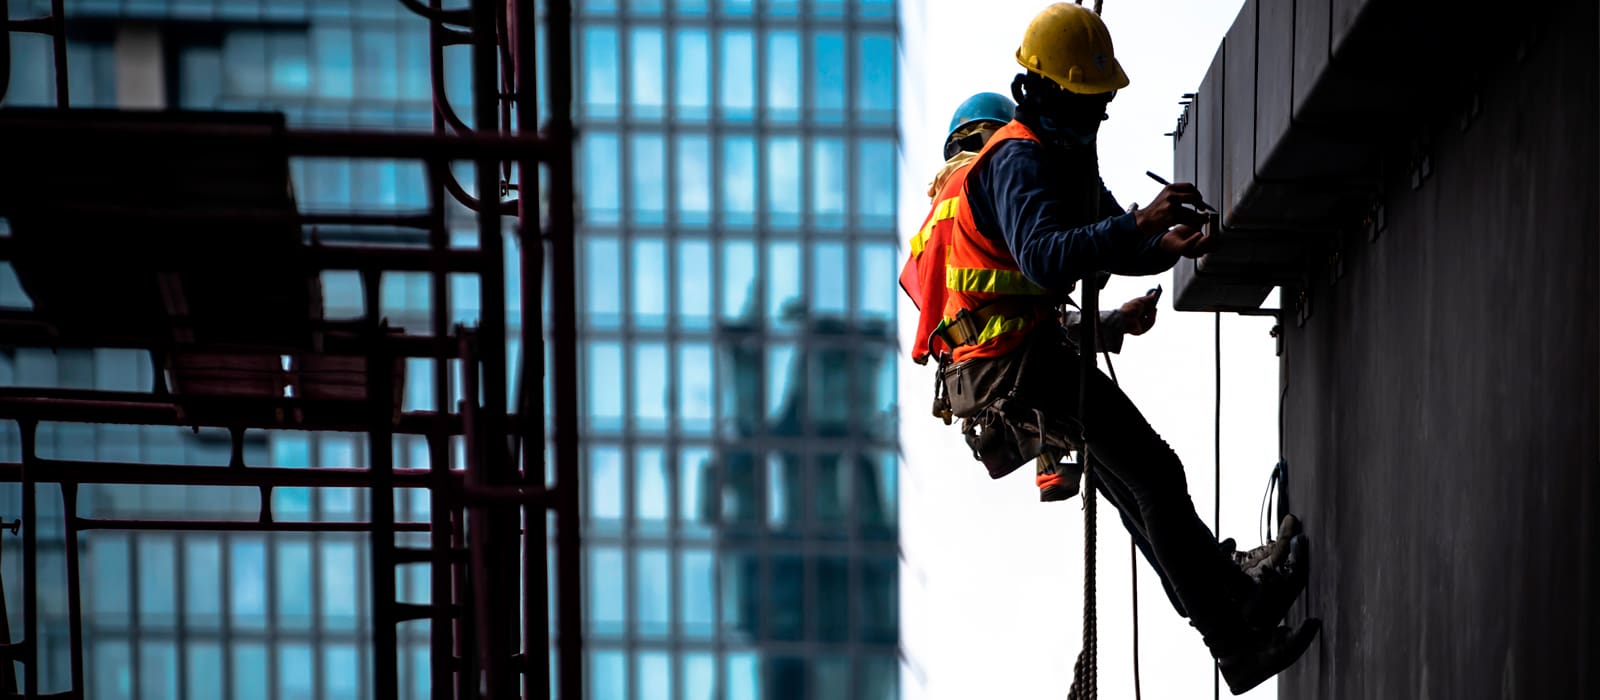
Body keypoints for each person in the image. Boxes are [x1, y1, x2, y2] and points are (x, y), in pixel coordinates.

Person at [900, 4, 1317, 694]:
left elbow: (1106, 244)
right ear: (1052, 93)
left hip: (1010, 362)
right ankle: (1234, 632)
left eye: (1103, 106)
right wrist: (1137, 226)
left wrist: (1163, 245)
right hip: (1012, 365)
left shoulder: (1062, 154)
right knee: (1153, 475)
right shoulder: (1017, 160)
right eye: (1090, 103)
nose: (1098, 119)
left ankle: (1237, 611)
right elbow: (1046, 258)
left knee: (1135, 488)